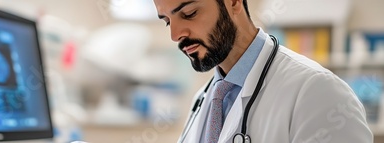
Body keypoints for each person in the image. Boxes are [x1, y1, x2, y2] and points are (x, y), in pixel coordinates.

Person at [153, 0, 373, 142]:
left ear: (233, 2)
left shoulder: (319, 92)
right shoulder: (202, 100)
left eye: (189, 13)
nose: (175, 35)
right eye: (167, 21)